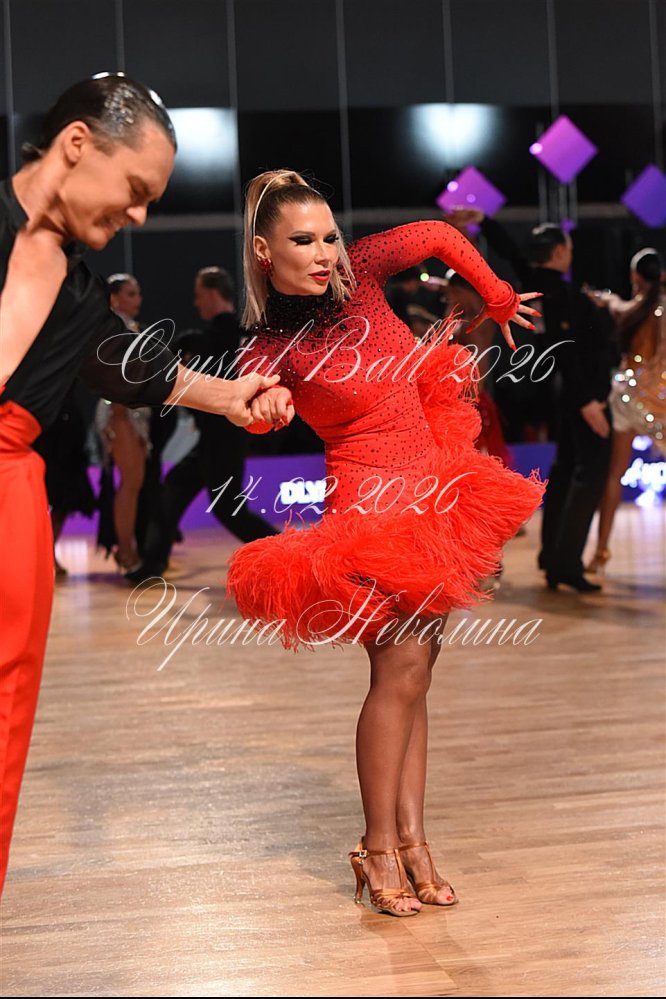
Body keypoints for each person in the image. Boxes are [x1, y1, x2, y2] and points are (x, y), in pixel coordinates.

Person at [225, 170, 545, 916]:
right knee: (397, 671)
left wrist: (497, 295)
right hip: (370, 509)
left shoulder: (362, 274)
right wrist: (270, 400)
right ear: (265, 252)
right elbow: (249, 399)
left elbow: (435, 236)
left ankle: (413, 840)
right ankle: (377, 847)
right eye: (304, 240)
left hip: (434, 491)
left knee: (417, 675)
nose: (325, 252)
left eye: (330, 235)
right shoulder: (271, 343)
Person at [0, 74, 279, 894]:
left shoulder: (81, 298)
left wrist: (232, 396)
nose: (140, 216)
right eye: (135, 190)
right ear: (76, 144)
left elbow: (137, 368)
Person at [127, 266, 279, 583]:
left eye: (199, 296)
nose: (196, 303)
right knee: (175, 488)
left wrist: (186, 346)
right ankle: (153, 563)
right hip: (215, 437)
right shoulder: (239, 335)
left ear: (211, 294)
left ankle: (286, 553)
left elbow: (219, 360)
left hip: (225, 437)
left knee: (227, 508)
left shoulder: (221, 337)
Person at [584, 248, 665, 572]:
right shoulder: (657, 309)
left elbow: (615, 305)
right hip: (660, 402)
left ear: (635, 277)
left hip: (628, 399)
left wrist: (603, 299)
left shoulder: (634, 309)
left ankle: (601, 552)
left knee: (614, 476)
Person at [96, 273, 151, 573]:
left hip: (131, 411)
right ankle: (126, 551)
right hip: (120, 411)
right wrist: (118, 414)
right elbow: (112, 376)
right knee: (130, 483)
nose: (137, 299)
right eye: (131, 294)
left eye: (137, 293)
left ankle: (127, 549)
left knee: (133, 483)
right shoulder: (115, 329)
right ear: (114, 298)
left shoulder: (127, 327)